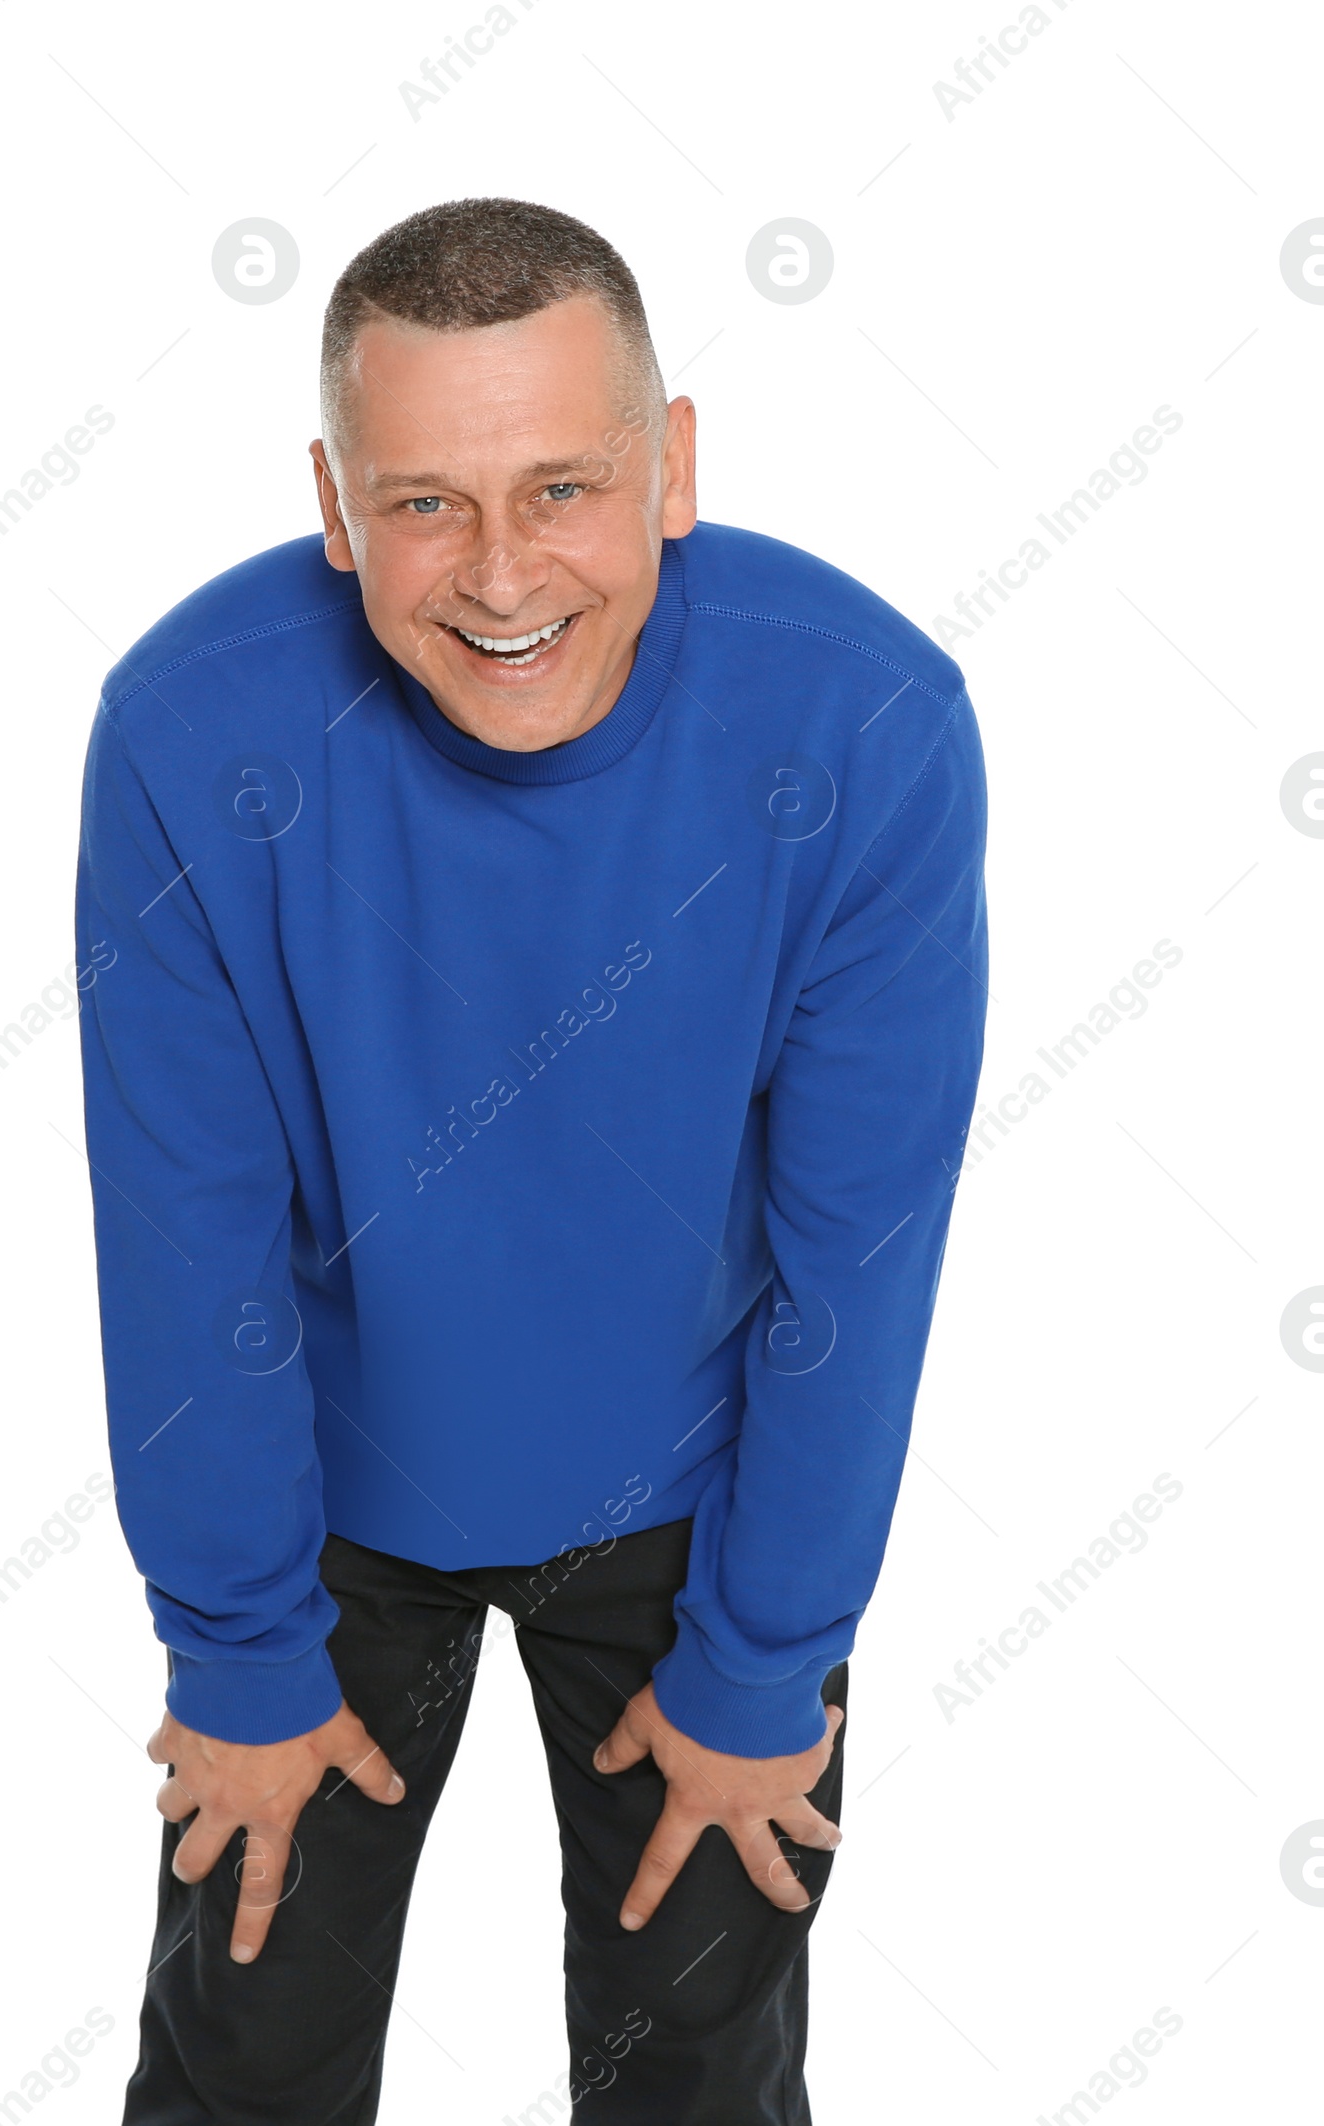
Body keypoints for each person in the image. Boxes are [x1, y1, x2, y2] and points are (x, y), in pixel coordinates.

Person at [75, 196, 988, 2125]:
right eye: (424, 503)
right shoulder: (186, 724)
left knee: (697, 2072)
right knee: (244, 2054)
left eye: (563, 484)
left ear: (673, 467)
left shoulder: (867, 719)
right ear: (336, 507)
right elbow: (186, 1234)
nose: (501, 573)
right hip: (319, 1497)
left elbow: (858, 1258)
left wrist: (769, 1663)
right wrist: (236, 1643)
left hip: (701, 1505)